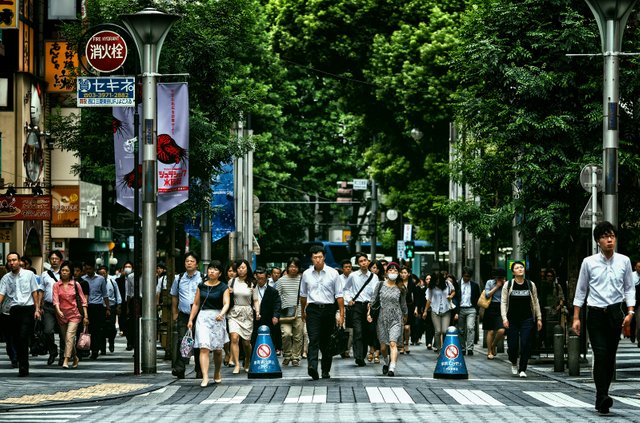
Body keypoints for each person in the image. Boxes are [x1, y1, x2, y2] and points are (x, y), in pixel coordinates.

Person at [572, 221, 635, 414]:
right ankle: (602, 396)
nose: (609, 240)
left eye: (612, 236)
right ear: (598, 241)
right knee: (600, 354)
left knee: (609, 357)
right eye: (605, 237)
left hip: (616, 313)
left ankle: (603, 395)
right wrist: (576, 317)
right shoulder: (588, 262)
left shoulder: (624, 261)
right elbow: (581, 290)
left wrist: (631, 312)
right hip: (596, 313)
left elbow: (629, 288)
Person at [300, 245, 344, 380]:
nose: (317, 260)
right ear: (311, 259)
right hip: (312, 310)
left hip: (329, 310)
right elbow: (303, 295)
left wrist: (341, 314)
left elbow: (339, 296)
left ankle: (325, 370)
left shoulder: (333, 273)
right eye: (315, 257)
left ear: (324, 257)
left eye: (320, 257)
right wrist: (303, 311)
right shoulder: (306, 274)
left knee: (326, 342)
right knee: (313, 339)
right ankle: (312, 366)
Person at [187, 260, 230, 387]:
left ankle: (217, 372)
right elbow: (196, 304)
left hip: (217, 317)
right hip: (203, 317)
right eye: (210, 268)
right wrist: (191, 319)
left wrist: (221, 314)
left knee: (217, 349)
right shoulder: (201, 286)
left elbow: (226, 303)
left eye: (215, 269)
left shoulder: (223, 287)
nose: (212, 271)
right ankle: (205, 376)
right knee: (204, 347)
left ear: (220, 273)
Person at [0, 252, 41, 376]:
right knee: (16, 339)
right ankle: (20, 360)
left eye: (14, 260)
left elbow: (35, 292)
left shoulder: (29, 275)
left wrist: (37, 309)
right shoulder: (6, 278)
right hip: (13, 310)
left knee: (23, 337)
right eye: (9, 260)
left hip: (27, 309)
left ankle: (23, 367)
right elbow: (1, 294)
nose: (12, 263)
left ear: (19, 261)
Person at [501, 261, 542, 379]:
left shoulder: (530, 284)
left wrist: (539, 318)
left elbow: (536, 302)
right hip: (512, 319)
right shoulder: (508, 285)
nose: (520, 269)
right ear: (513, 272)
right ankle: (513, 361)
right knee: (512, 345)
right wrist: (504, 318)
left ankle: (522, 368)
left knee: (525, 344)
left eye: (521, 267)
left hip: (527, 319)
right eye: (517, 268)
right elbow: (503, 303)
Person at [368, 262, 407, 376]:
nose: (393, 272)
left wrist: (405, 316)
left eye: (395, 271)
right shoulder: (380, 285)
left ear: (398, 273)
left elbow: (403, 304)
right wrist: (369, 314)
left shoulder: (401, 287)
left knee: (393, 343)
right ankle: (386, 362)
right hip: (382, 318)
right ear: (386, 272)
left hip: (396, 318)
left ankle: (392, 367)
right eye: (391, 270)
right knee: (383, 347)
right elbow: (373, 301)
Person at [170, 252, 203, 379]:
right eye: (187, 261)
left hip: (199, 315)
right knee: (182, 341)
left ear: (197, 264)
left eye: (192, 261)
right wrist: (174, 313)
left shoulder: (202, 278)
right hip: (183, 314)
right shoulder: (179, 278)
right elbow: (174, 296)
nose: (189, 263)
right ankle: (180, 368)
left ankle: (199, 369)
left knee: (198, 342)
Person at [52, 261, 89, 369]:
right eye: (62, 270)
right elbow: (55, 300)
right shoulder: (56, 285)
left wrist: (85, 316)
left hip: (74, 315)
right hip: (61, 315)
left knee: (69, 336)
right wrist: (58, 311)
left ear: (70, 273)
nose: (64, 272)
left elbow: (83, 301)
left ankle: (66, 359)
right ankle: (75, 357)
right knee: (67, 339)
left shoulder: (76, 284)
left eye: (66, 271)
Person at [343, 252, 375, 367]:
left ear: (368, 261)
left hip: (368, 307)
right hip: (356, 306)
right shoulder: (353, 276)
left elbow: (375, 294)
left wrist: (372, 304)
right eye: (360, 261)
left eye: (365, 260)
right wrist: (348, 299)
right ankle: (358, 357)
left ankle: (363, 354)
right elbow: (345, 289)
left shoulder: (374, 277)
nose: (363, 263)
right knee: (358, 331)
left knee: (367, 332)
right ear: (357, 263)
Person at [227, 259, 259, 374]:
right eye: (239, 268)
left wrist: (257, 312)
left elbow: (255, 300)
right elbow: (227, 298)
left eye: (243, 268)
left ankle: (247, 359)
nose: (241, 270)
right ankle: (236, 365)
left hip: (247, 313)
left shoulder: (252, 282)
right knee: (234, 338)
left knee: (246, 342)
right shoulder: (232, 282)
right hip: (234, 312)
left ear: (247, 269)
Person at [277, 257, 303, 366]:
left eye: (295, 266)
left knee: (298, 336)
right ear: (287, 267)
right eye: (291, 266)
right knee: (286, 334)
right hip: (285, 313)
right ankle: (287, 355)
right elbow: (277, 297)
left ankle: (295, 357)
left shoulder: (302, 279)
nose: (293, 269)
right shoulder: (281, 280)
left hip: (300, 312)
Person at [39, 250, 64, 365]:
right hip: (48, 307)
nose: (54, 260)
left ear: (60, 260)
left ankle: (63, 356)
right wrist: (39, 306)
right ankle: (53, 350)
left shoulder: (65, 273)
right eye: (52, 259)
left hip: (64, 307)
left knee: (63, 333)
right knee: (47, 331)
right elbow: (41, 291)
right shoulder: (44, 275)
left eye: (56, 259)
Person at [82, 262, 110, 360]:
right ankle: (85, 348)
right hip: (86, 306)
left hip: (97, 306)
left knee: (96, 330)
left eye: (90, 269)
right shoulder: (83, 279)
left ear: (94, 269)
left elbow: (105, 294)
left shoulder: (101, 279)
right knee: (86, 329)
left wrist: (107, 308)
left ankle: (95, 350)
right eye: (86, 269)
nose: (88, 271)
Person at [251, 267, 281, 346]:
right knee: (253, 337)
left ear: (267, 277)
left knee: (268, 338)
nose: (260, 280)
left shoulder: (273, 291)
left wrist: (275, 316)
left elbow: (277, 304)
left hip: (268, 318)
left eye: (262, 278)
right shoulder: (251, 289)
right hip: (253, 317)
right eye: (258, 278)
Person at [454, 267, 480, 356]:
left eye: (468, 277)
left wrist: (477, 310)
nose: (467, 278)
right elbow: (455, 299)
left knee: (470, 328)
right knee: (460, 329)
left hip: (471, 308)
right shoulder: (457, 284)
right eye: (465, 276)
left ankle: (470, 348)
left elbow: (477, 298)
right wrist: (456, 312)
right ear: (462, 275)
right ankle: (462, 348)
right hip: (460, 309)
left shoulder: (474, 285)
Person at [483, 268, 507, 359]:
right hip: (491, 306)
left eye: (501, 277)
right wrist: (497, 286)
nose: (500, 279)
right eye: (498, 277)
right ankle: (489, 351)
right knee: (491, 331)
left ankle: (494, 345)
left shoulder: (506, 284)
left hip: (501, 307)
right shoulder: (489, 282)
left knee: (501, 330)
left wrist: (504, 286)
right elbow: (487, 295)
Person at [101, 266, 122, 354]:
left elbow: (117, 294)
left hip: (112, 306)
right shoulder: (97, 282)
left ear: (107, 273)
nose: (102, 275)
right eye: (100, 273)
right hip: (101, 307)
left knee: (111, 327)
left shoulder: (112, 282)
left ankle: (111, 342)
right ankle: (102, 348)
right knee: (101, 327)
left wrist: (118, 306)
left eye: (104, 273)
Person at [338, 259, 353, 358]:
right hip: (341, 307)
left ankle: (347, 349)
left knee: (350, 330)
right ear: (342, 269)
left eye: (349, 267)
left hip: (352, 306)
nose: (348, 269)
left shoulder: (355, 277)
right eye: (346, 267)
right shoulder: (338, 279)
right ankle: (340, 348)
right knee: (341, 328)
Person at [222, 262, 237, 366]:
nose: (232, 273)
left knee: (232, 335)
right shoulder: (222, 283)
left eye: (234, 271)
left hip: (234, 312)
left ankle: (231, 356)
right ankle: (227, 353)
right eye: (230, 271)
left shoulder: (239, 283)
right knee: (223, 335)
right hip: (223, 312)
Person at [398, 267, 414, 354]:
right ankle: (401, 345)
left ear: (408, 274)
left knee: (407, 327)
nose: (403, 274)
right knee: (401, 327)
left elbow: (415, 296)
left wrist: (416, 308)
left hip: (409, 306)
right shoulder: (398, 283)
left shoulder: (412, 284)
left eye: (405, 272)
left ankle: (407, 342)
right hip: (399, 306)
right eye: (402, 272)